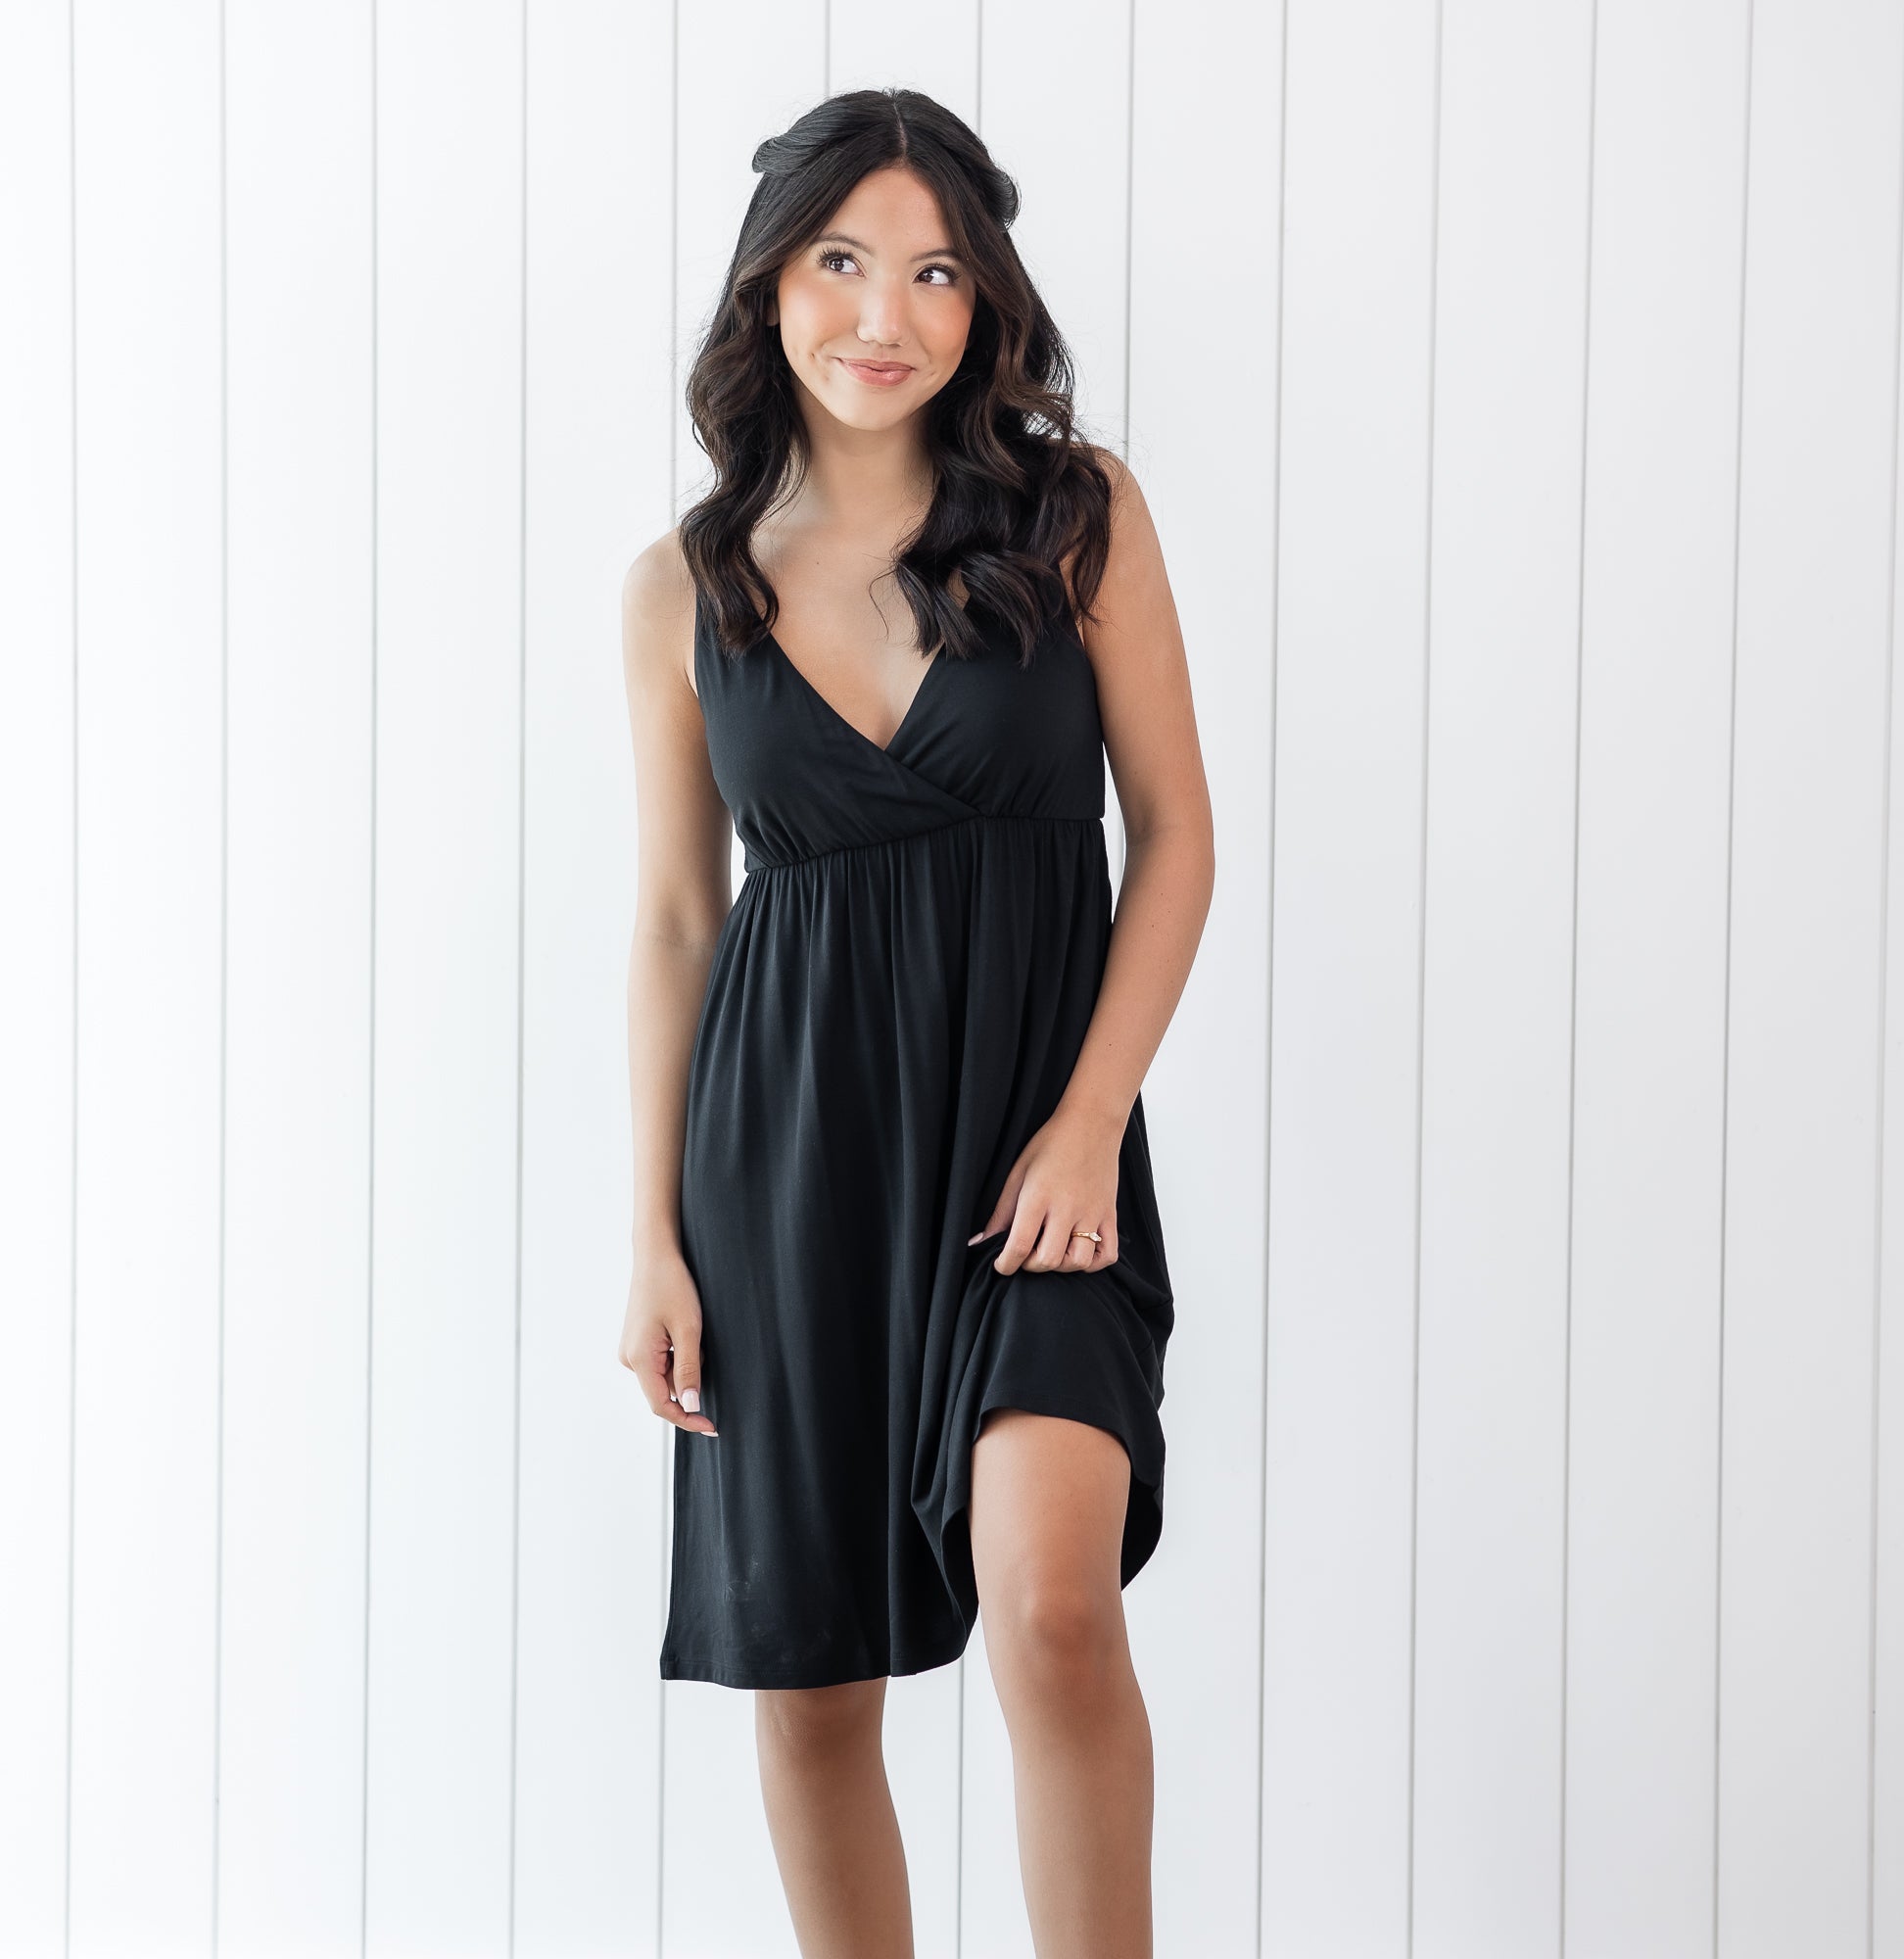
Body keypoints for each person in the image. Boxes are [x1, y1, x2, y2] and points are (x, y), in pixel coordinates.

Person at [616, 86, 1213, 1956]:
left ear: (986, 299)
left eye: (939, 271)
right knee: (812, 1685)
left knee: (1056, 1607)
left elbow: (1177, 836)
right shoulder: (681, 588)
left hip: (1037, 1153)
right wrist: (654, 1236)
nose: (889, 315)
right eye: (843, 261)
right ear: (770, 285)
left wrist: (1091, 1121)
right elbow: (676, 920)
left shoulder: (1074, 515)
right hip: (784, 1171)